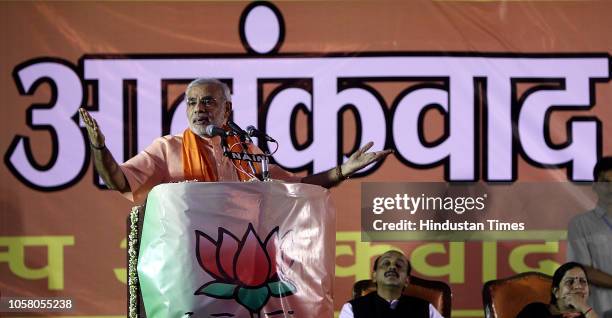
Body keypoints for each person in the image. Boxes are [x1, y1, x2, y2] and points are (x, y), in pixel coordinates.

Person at [79, 78, 392, 203]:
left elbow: (296, 185)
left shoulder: (246, 150)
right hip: (183, 265)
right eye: (191, 102)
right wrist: (98, 147)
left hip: (239, 260)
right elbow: (119, 181)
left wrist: (343, 170)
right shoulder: (167, 148)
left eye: (208, 102)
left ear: (226, 109)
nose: (198, 109)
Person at [567, 157, 612, 317]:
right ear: (594, 186)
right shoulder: (580, 224)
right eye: (605, 182)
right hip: (599, 311)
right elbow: (583, 270)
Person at [339, 250, 444, 318]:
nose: (392, 267)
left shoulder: (426, 309)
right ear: (374, 276)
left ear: (407, 280)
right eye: (386, 263)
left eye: (399, 265)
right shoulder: (352, 308)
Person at [517, 262, 599, 318]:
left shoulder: (588, 315)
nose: (578, 286)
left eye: (582, 281)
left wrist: (585, 308)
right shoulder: (535, 311)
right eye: (569, 282)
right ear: (556, 292)